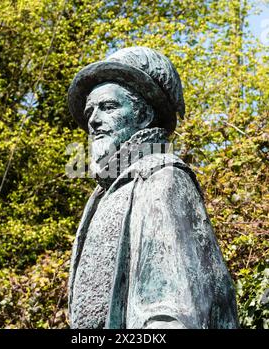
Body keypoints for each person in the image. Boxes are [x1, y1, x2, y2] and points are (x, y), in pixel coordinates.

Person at [67, 46, 238, 329]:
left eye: (108, 107)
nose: (93, 120)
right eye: (89, 112)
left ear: (144, 115)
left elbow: (172, 310)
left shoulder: (161, 177)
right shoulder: (103, 196)